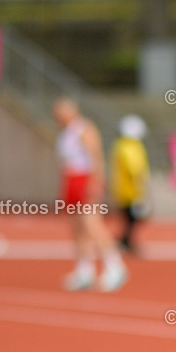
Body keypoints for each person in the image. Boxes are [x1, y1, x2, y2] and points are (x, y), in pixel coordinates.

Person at [53, 98, 127, 292]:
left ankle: (115, 267)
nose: (58, 117)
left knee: (92, 225)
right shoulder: (65, 133)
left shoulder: (84, 129)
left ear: (72, 111)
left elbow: (96, 157)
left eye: (61, 113)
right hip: (70, 180)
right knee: (77, 229)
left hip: (85, 180)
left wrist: (97, 182)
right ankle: (84, 271)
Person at [109, 114, 150, 253]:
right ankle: (125, 241)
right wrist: (141, 187)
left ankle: (125, 240)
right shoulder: (132, 146)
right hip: (131, 190)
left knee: (128, 218)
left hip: (123, 188)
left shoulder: (120, 144)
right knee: (133, 217)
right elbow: (134, 168)